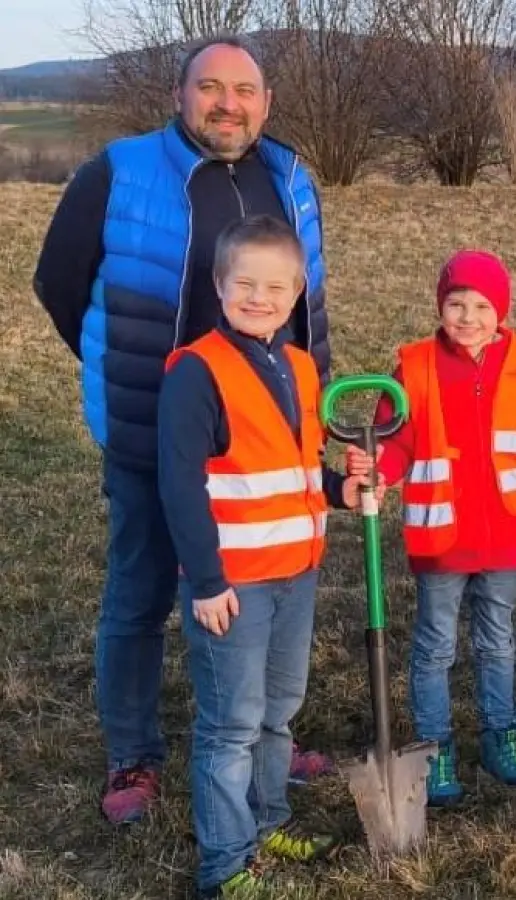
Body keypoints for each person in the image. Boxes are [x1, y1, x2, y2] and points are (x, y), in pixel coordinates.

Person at [31, 34, 335, 824]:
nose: (227, 103)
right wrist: (125, 370)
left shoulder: (292, 177)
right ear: (180, 95)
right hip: (151, 436)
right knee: (139, 591)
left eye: (244, 90)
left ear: (265, 103)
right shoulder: (120, 172)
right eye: (210, 87)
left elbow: (306, 305)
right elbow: (58, 284)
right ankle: (134, 752)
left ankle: (264, 735)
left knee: (262, 595)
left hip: (261, 448)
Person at [157, 216, 370, 898]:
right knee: (231, 722)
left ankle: (268, 816)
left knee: (280, 707)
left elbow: (298, 466)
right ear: (219, 286)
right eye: (244, 283)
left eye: (275, 286)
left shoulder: (300, 365)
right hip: (235, 583)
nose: (259, 297)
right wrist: (208, 581)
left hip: (295, 574)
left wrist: (342, 488)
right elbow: (180, 483)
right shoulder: (198, 371)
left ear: (297, 290)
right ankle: (225, 862)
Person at [373, 250, 516, 807]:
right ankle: (434, 746)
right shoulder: (415, 365)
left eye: (482, 305)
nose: (468, 316)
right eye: (456, 303)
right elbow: (394, 436)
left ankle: (499, 734)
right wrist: (383, 473)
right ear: (440, 306)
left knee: (495, 643)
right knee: (435, 646)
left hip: (507, 533)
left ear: (502, 311)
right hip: (442, 538)